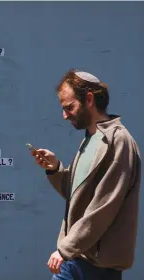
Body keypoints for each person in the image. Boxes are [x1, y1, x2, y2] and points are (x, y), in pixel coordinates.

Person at [30, 69, 141, 280]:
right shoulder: (90, 140)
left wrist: (66, 248)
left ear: (89, 99)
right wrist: (54, 168)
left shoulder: (118, 141)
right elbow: (77, 196)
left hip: (95, 265)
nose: (64, 116)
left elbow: (104, 205)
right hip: (78, 259)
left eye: (69, 107)